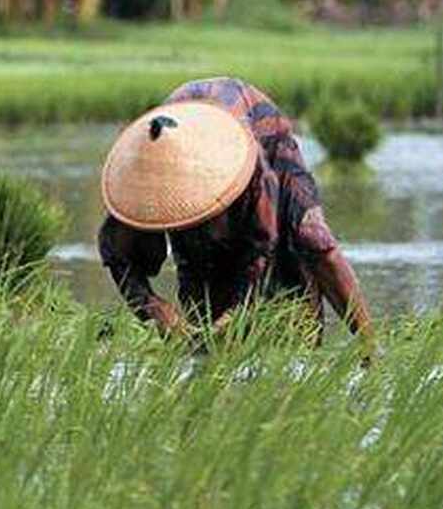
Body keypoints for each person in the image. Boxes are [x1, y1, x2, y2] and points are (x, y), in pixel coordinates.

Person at [97, 76, 373, 346]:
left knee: (309, 238)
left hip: (260, 135)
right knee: (202, 300)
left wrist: (237, 311)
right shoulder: (137, 183)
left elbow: (264, 246)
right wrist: (153, 307)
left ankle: (371, 351)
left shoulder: (248, 169)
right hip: (184, 149)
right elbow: (115, 255)